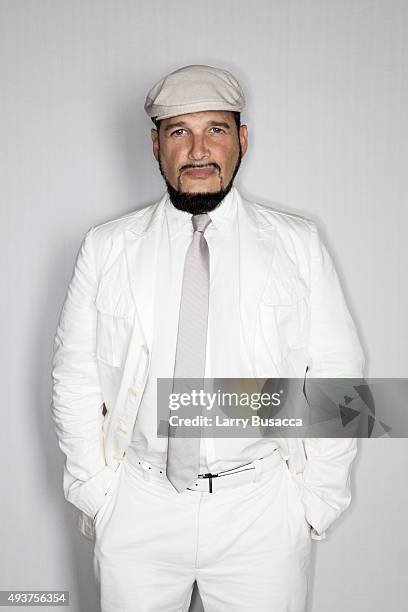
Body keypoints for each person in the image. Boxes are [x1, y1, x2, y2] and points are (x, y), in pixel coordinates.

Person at [51, 64, 365, 612]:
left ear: (242, 139)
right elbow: (73, 374)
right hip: (140, 504)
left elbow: (340, 375)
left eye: (216, 129)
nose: (199, 149)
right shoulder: (106, 248)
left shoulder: (298, 244)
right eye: (179, 131)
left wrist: (317, 500)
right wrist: (97, 494)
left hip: (261, 508)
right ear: (155, 144)